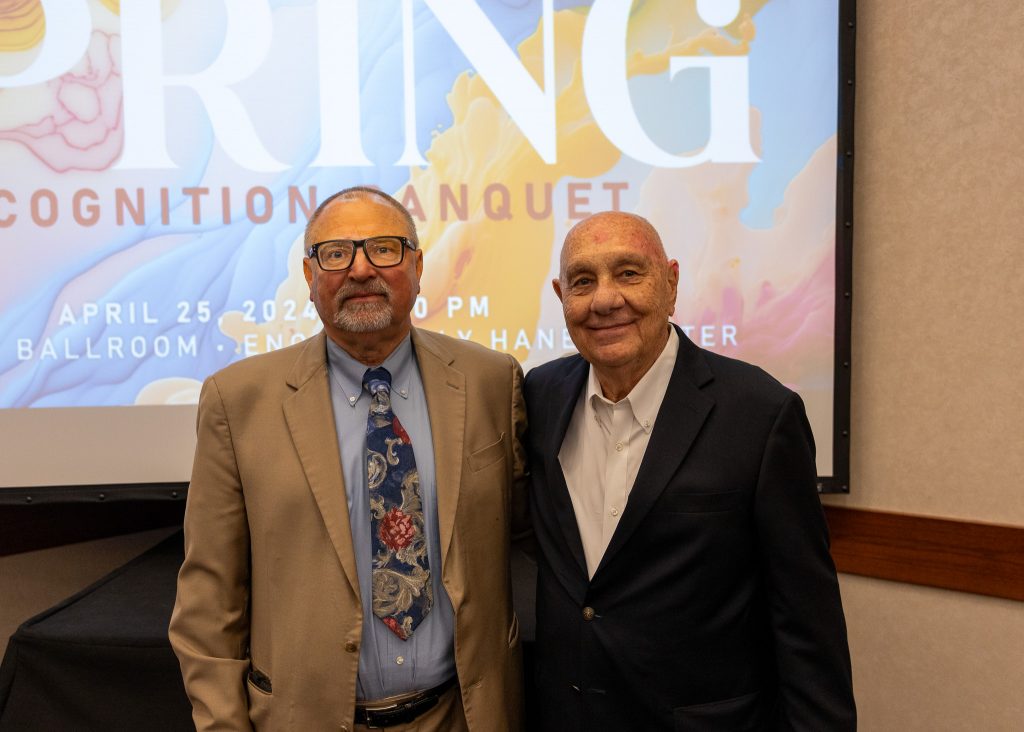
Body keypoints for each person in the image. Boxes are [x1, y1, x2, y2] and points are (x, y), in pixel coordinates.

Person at [169, 187, 527, 731]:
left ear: (418, 266)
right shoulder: (237, 400)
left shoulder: (489, 382)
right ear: (310, 278)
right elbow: (208, 600)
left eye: (384, 248)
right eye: (336, 253)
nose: (361, 269)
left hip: (463, 715)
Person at [523, 211, 856, 730]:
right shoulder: (539, 397)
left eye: (629, 273)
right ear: (560, 296)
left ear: (671, 283)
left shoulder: (761, 414)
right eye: (583, 281)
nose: (605, 300)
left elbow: (807, 625)